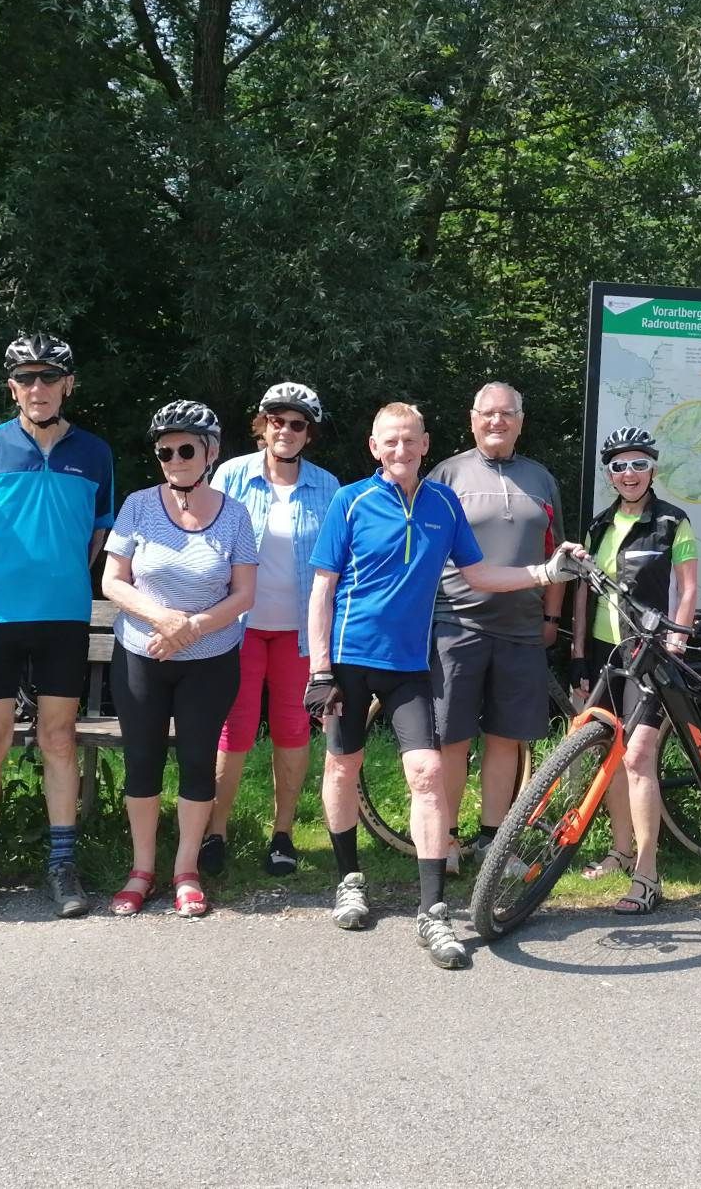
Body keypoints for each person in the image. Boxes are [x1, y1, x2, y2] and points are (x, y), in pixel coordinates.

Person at [304, 401, 584, 970]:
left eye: (410, 441)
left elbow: (478, 575)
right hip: (350, 660)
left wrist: (545, 573)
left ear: (425, 444)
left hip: (410, 663)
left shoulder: (443, 502)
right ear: (374, 446)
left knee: (427, 773)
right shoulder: (349, 501)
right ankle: (349, 877)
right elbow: (321, 590)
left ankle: (432, 912)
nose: (401, 450)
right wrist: (319, 671)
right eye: (390, 442)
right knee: (342, 765)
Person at [0, 333, 115, 921]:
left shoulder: (96, 452)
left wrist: (62, 579)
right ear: (11, 386)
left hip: (65, 616)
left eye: (48, 377)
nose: (36, 388)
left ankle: (62, 865)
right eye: (25, 378)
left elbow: (98, 535)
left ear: (68, 384)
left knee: (58, 738)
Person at [100, 401, 257, 918]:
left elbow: (243, 594)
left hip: (210, 659)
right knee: (142, 761)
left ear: (210, 451)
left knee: (196, 761)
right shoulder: (139, 505)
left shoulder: (235, 515)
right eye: (164, 449)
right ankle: (142, 869)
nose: (174, 457)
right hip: (141, 656)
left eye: (185, 448)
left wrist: (189, 629)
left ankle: (186, 870)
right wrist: (163, 620)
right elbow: (112, 579)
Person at [427, 381, 567, 873]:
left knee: (507, 738)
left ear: (520, 421)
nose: (496, 422)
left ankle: (492, 841)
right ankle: (442, 840)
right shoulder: (447, 473)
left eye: (506, 414)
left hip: (522, 628)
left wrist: (552, 617)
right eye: (488, 413)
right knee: (451, 738)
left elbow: (557, 557)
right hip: (455, 623)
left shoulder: (542, 478)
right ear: (472, 418)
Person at [205, 382, 340, 878]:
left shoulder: (329, 487)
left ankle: (282, 833)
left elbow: (340, 565)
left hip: (299, 634)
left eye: (297, 423)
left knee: (291, 730)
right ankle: (215, 830)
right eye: (277, 420)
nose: (286, 430)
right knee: (232, 731)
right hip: (237, 629)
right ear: (262, 424)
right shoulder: (230, 475)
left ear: (310, 433)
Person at [568, 426, 698, 915]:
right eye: (619, 465)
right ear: (609, 473)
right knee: (609, 754)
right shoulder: (598, 525)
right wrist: (578, 654)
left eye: (638, 464)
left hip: (648, 651)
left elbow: (687, 589)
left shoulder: (672, 522)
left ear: (652, 469)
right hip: (604, 651)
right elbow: (583, 595)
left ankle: (647, 873)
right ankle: (621, 852)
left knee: (639, 754)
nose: (629, 473)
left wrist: (677, 640)